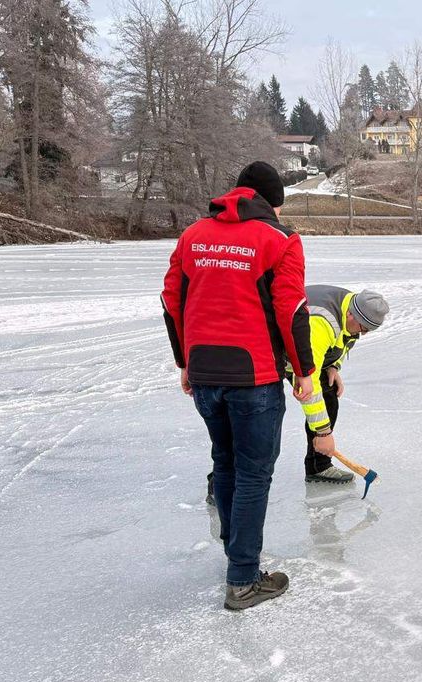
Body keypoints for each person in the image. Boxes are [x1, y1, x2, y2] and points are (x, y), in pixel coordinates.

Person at [161, 160, 328, 611]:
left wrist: (183, 361)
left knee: (227, 463)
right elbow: (292, 309)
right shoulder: (280, 239)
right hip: (253, 375)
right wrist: (305, 370)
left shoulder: (193, 235)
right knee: (255, 473)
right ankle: (242, 579)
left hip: (205, 373)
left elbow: (170, 299)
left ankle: (238, 557)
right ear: (272, 202)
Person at [295, 285, 390, 483]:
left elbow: (345, 338)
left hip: (308, 354)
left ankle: (318, 467)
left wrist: (332, 366)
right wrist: (323, 432)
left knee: (329, 396)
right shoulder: (322, 321)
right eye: (364, 328)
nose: (363, 334)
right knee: (259, 417)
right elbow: (308, 380)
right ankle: (225, 485)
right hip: (269, 355)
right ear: (351, 315)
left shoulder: (352, 308)